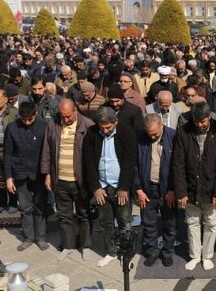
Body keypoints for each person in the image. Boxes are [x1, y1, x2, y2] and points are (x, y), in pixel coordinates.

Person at [172, 102, 216, 271]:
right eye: (197, 121)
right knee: (192, 222)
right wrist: (181, 192)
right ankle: (195, 255)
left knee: (211, 222)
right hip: (190, 185)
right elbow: (178, 163)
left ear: (209, 118)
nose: (200, 124)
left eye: (203, 121)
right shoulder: (184, 131)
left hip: (211, 186)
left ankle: (207, 255)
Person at [82, 106, 137, 267]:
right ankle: (111, 251)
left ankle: (127, 251)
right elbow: (88, 163)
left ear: (116, 122)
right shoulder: (91, 134)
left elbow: (129, 162)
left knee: (124, 220)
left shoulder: (126, 133)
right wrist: (95, 188)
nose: (105, 130)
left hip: (120, 186)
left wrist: (123, 187)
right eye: (102, 127)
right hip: (102, 186)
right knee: (106, 222)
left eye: (109, 127)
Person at [41, 99, 95, 261]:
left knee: (83, 214)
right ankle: (68, 245)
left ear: (75, 111)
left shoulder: (88, 125)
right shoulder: (53, 124)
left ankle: (86, 245)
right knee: (64, 215)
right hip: (60, 178)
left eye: (68, 117)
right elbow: (47, 150)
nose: (65, 120)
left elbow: (93, 156)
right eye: (62, 116)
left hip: (80, 180)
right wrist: (47, 175)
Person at [4, 101, 49, 251]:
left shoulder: (44, 126)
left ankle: (40, 237)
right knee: (24, 207)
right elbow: (8, 154)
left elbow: (48, 152)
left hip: (39, 173)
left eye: (30, 119)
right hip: (20, 172)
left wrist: (48, 174)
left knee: (40, 206)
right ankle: (28, 237)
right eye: (24, 120)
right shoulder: (12, 128)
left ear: (36, 114)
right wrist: (8, 177)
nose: (28, 122)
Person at [135, 114, 177, 267]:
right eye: (149, 133)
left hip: (167, 190)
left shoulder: (173, 137)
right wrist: (138, 189)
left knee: (169, 223)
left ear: (162, 127)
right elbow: (134, 166)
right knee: (148, 223)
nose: (152, 136)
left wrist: (173, 189)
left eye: (155, 133)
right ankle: (152, 251)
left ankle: (167, 252)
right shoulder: (139, 138)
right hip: (147, 189)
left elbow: (177, 166)